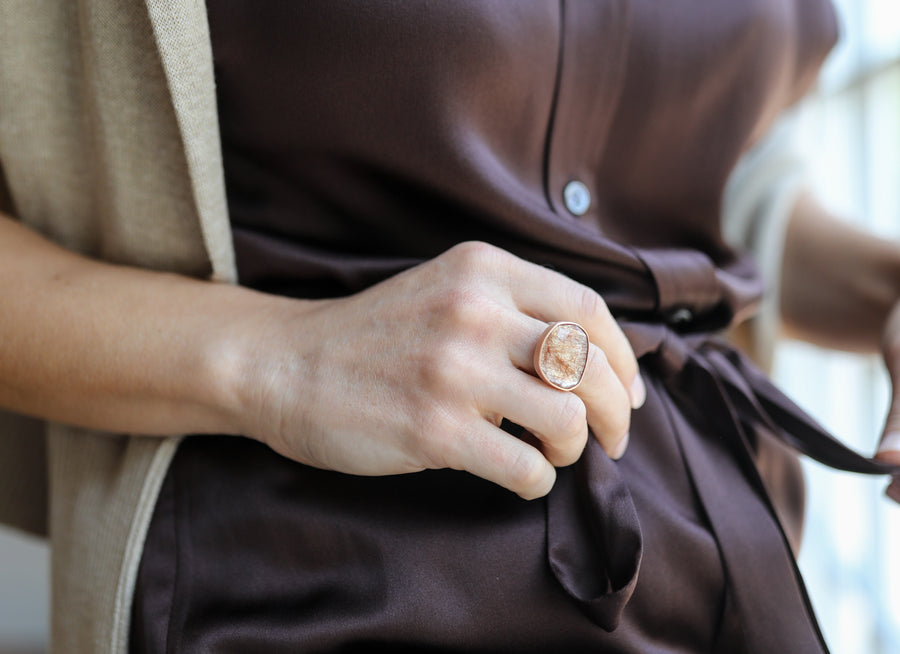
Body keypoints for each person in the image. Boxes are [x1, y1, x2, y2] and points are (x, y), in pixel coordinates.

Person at [0, 1, 898, 652]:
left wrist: (885, 287)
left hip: (742, 573)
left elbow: (723, 179)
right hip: (302, 590)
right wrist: (281, 362)